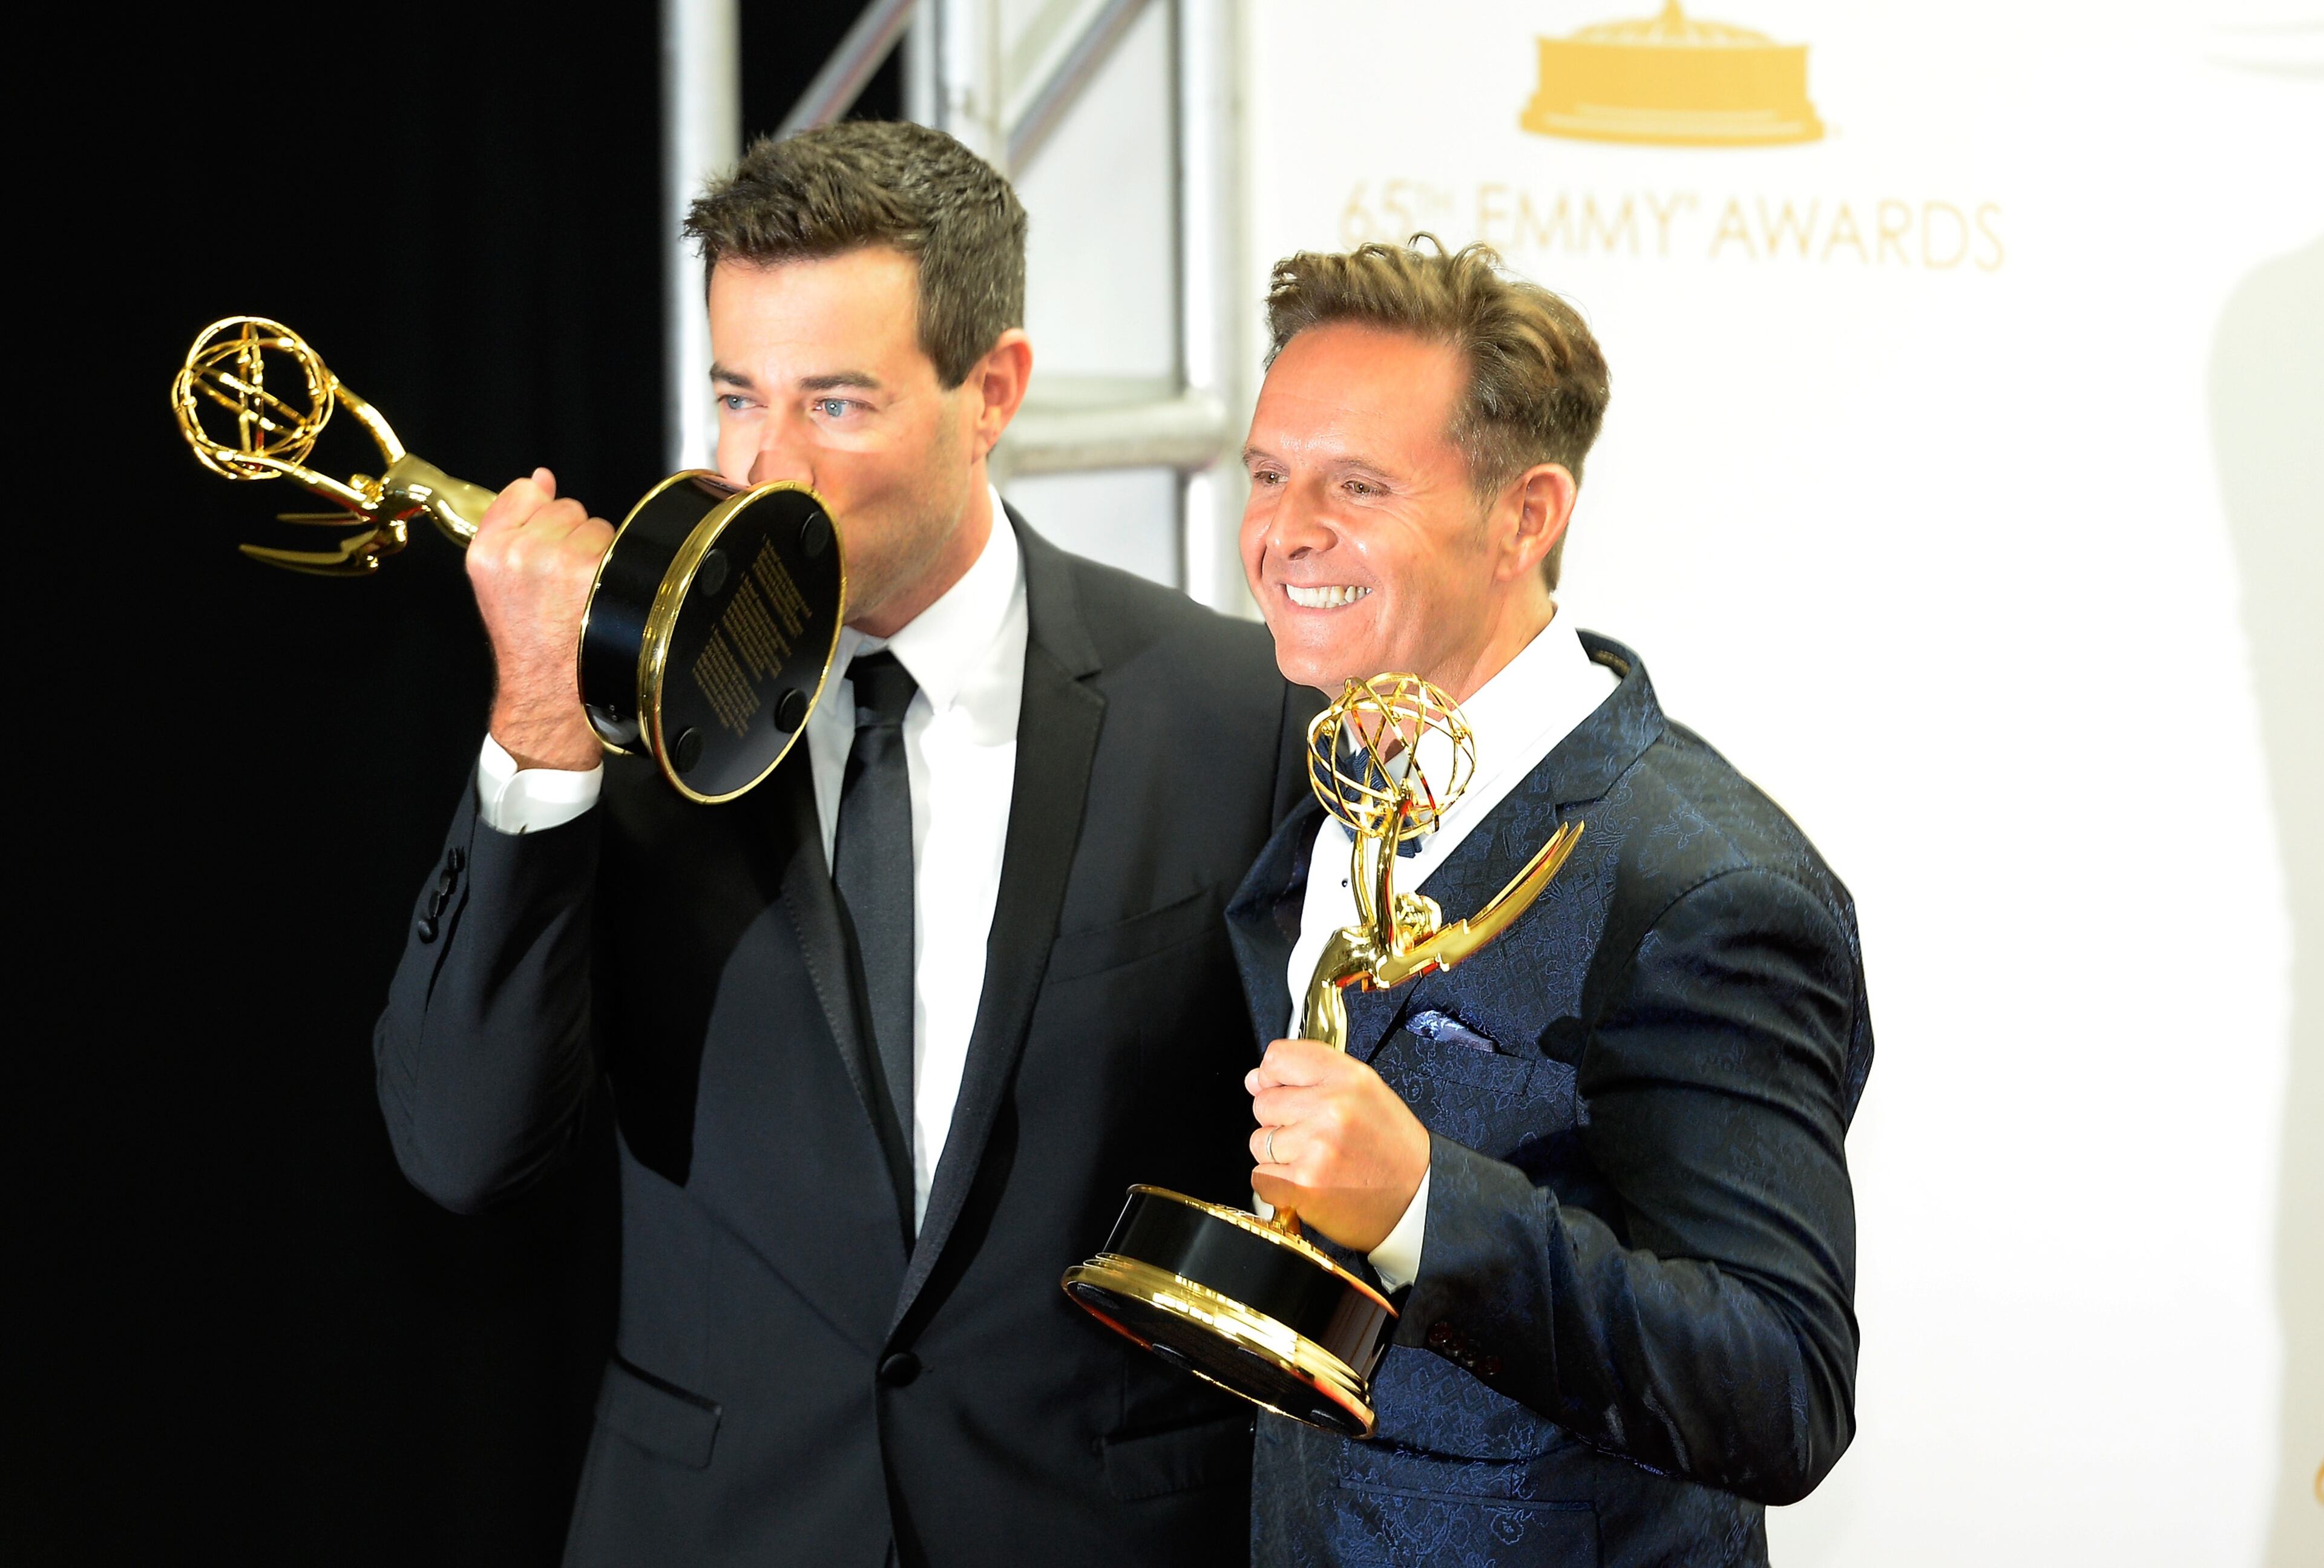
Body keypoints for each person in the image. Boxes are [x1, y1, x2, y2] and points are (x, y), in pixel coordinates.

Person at [373, 121, 1313, 1567]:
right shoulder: (612, 717)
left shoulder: (1231, 714)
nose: (769, 467)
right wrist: (541, 731)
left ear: (991, 390)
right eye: (737, 396)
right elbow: (460, 1146)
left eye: (838, 405)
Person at [1225, 238, 1872, 1566]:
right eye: (1270, 474)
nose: (1287, 533)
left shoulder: (1708, 886)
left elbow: (1781, 1386)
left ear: (1528, 516)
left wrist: (1422, 1207)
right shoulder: (1330, 789)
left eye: (1359, 484)